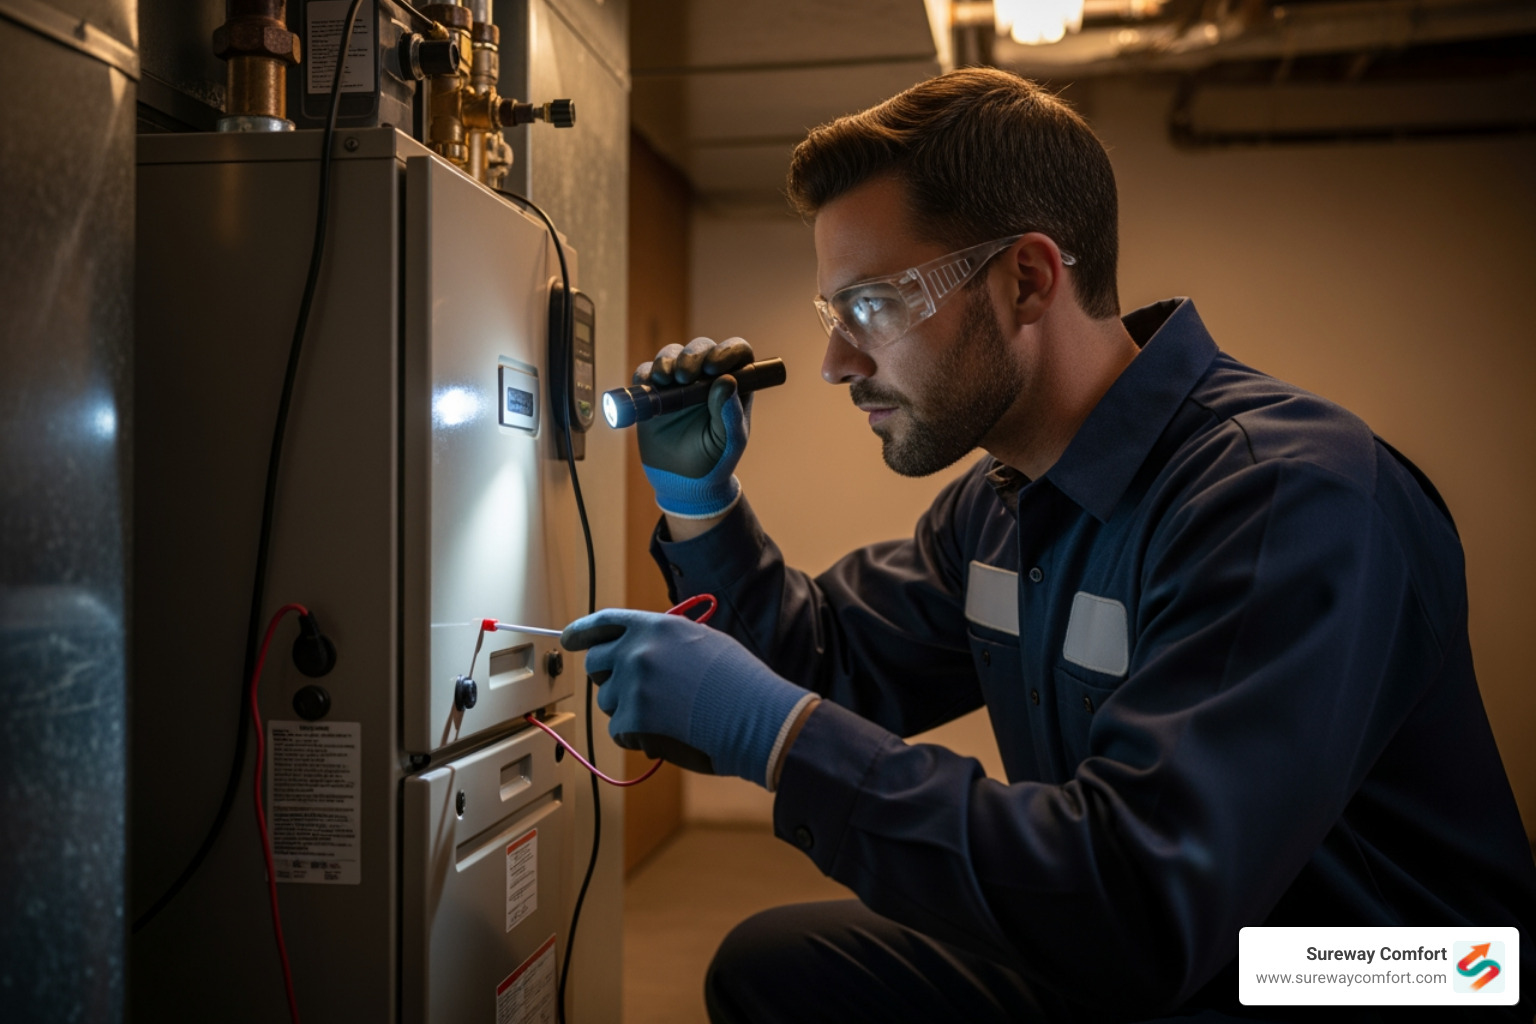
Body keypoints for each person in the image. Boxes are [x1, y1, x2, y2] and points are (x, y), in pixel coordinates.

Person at [561, 68, 1536, 1022]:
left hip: (1378, 967)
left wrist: (778, 735)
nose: (836, 363)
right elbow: (823, 664)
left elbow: (1146, 900)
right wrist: (700, 500)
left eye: (873, 306)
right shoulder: (1002, 507)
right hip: (1184, 932)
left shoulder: (1285, 496)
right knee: (779, 969)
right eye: (834, 313)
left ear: (1027, 279)